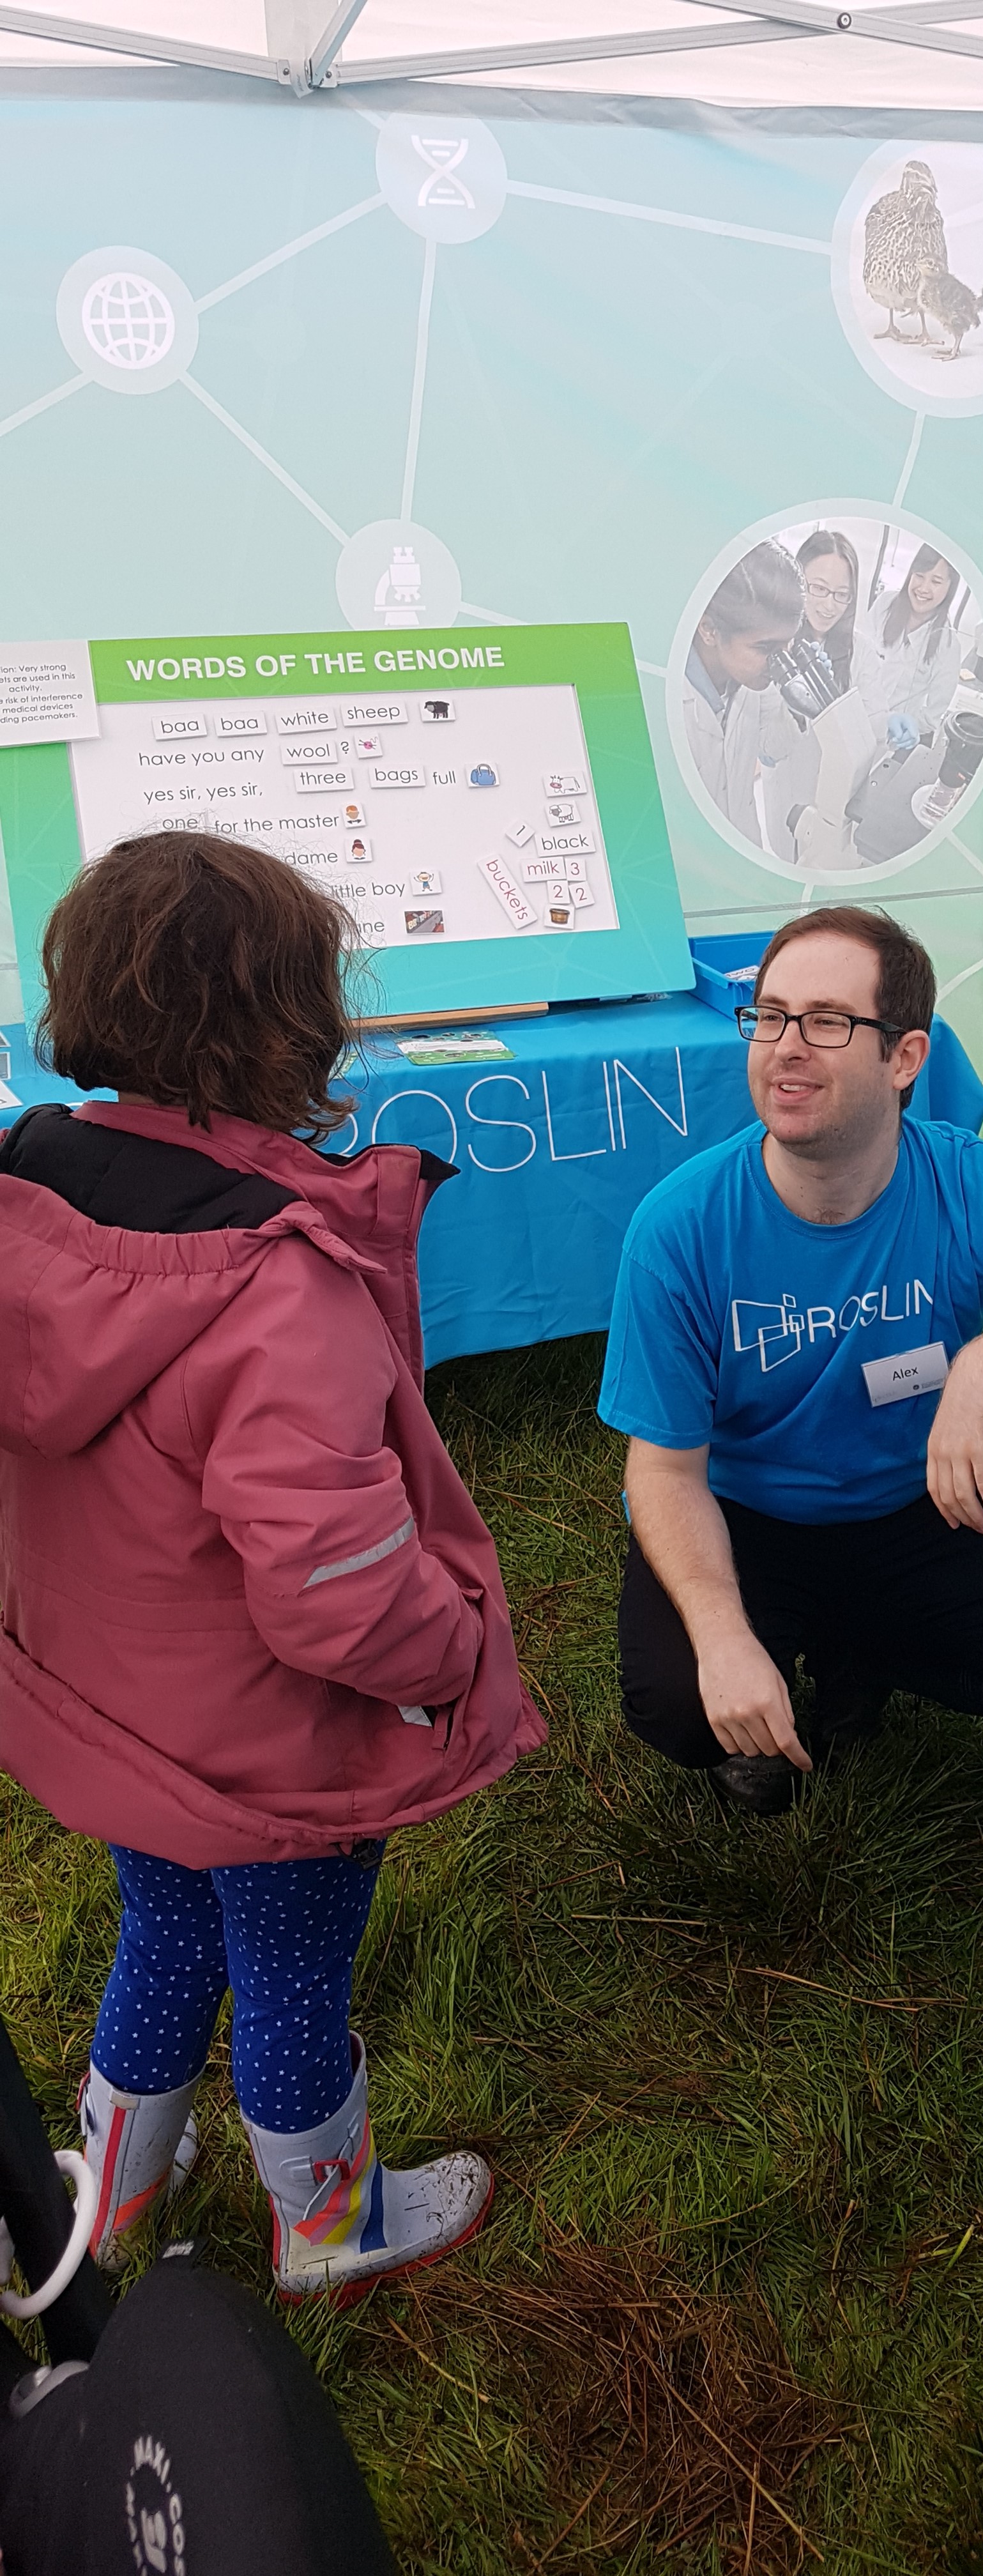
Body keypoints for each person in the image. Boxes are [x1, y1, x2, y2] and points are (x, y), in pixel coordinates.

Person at [0, 832, 544, 2296]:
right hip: (270, 1741)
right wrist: (450, 1655)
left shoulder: (26, 1204)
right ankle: (330, 2222)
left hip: (110, 1708)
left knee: (165, 1922)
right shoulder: (274, 1282)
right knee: (291, 1965)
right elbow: (335, 1586)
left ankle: (104, 2201)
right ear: (292, 1018)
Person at [598, 907, 983, 1816]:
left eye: (826, 1022)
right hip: (745, 1519)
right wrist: (725, 1634)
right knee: (681, 1706)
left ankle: (861, 1650)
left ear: (904, 1058)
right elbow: (662, 1471)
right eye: (770, 1016)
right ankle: (787, 1660)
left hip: (917, 1511)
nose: (785, 1047)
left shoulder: (967, 1181)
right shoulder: (681, 1227)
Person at [682, 541, 802, 846]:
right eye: (765, 648)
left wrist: (795, 698)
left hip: (744, 843)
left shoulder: (752, 680)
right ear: (709, 630)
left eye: (787, 644)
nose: (779, 661)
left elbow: (777, 750)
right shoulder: (671, 700)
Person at [764, 530, 863, 864]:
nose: (828, 604)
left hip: (840, 801)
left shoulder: (859, 649)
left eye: (841, 594)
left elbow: (874, 720)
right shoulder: (772, 645)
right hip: (790, 793)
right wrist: (797, 710)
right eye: (818, 588)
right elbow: (770, 747)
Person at [858, 545, 963, 755]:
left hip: (893, 746)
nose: (924, 588)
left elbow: (932, 716)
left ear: (950, 588)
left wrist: (903, 729)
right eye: (919, 576)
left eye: (936, 582)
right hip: (856, 721)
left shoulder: (949, 644)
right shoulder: (886, 604)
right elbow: (856, 660)